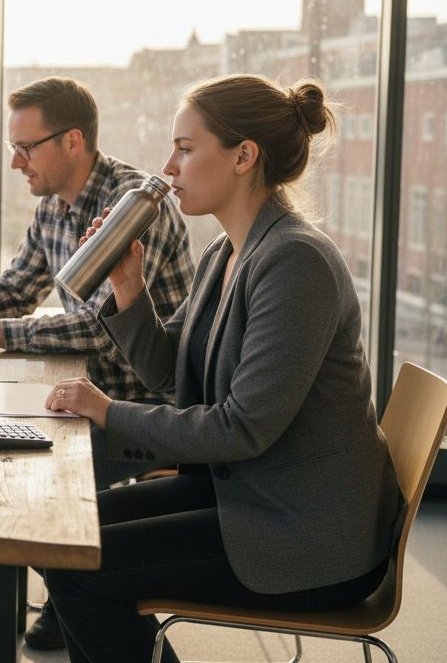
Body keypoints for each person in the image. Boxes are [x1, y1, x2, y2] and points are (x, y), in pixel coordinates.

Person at [43, 75, 403, 663]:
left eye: (185, 148)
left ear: (243, 156)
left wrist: (107, 411)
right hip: (249, 498)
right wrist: (129, 288)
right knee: (60, 535)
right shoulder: (228, 252)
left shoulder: (296, 263)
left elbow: (240, 429)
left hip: (305, 535)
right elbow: (169, 373)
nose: (168, 165)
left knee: (79, 569)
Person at [0, 77, 196, 649]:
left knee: (24, 492)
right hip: (82, 390)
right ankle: (72, 594)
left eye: (26, 148)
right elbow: (21, 283)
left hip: (145, 406)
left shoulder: (133, 209)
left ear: (73, 141)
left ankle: (80, 595)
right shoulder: (57, 206)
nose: (15, 162)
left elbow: (101, 329)